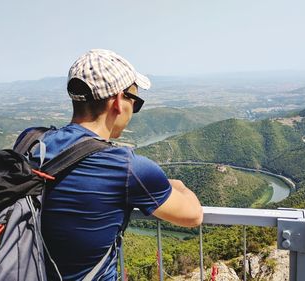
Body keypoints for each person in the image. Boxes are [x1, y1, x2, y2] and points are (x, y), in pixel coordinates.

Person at [15, 49, 203, 280]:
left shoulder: (31, 142)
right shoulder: (127, 167)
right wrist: (180, 186)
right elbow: (193, 216)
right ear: (117, 101)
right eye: (135, 101)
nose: (133, 110)